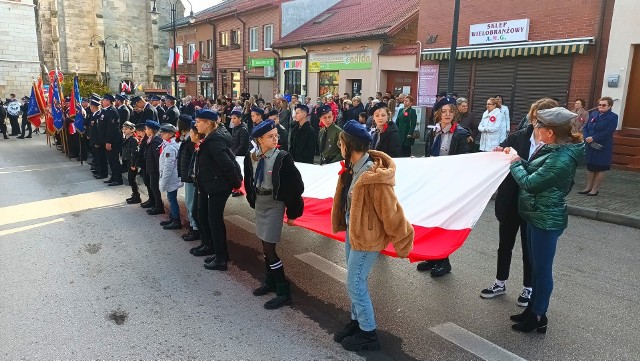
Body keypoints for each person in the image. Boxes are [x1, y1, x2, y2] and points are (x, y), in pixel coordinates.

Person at [331, 120, 414, 351]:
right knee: (355, 280)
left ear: (349, 145)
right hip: (353, 232)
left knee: (355, 283)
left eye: (341, 143)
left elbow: (392, 211)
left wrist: (403, 239)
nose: (340, 147)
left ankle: (368, 333)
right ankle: (357, 323)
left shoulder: (372, 176)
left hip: (367, 238)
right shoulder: (352, 169)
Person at [506, 107, 585, 333]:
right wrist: (516, 157)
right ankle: (532, 310)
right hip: (536, 214)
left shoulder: (561, 158)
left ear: (549, 132)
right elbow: (531, 168)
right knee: (535, 267)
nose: (535, 129)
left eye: (538, 126)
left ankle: (539, 315)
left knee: (541, 270)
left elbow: (530, 182)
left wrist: (514, 163)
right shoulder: (553, 149)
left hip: (546, 219)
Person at [480, 98, 557, 305]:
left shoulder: (555, 144)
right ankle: (499, 282)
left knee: (529, 249)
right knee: (505, 244)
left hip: (534, 205)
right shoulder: (518, 136)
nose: (537, 124)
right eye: (535, 119)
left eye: (542, 120)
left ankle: (528, 288)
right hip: (511, 200)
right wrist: (498, 152)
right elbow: (501, 151)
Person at [243, 120, 305, 309]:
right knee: (264, 245)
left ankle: (283, 290)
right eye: (270, 136)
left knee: (270, 249)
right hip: (261, 202)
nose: (275, 138)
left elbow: (296, 187)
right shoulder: (252, 156)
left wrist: (293, 212)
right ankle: (270, 281)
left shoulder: (282, 157)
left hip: (274, 204)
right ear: (259, 139)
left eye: (276, 135)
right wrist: (252, 200)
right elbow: (249, 179)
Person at [417, 97, 469, 277]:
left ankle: (444, 261)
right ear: (438, 114)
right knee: (432, 220)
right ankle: (433, 257)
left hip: (449, 184)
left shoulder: (461, 134)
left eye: (451, 111)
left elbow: (463, 162)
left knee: (444, 223)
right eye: (444, 111)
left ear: (455, 114)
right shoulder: (434, 132)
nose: (447, 115)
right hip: (434, 182)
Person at [192, 110, 242, 271]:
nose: (196, 124)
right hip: (211, 185)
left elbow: (228, 164)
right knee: (210, 218)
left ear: (208, 123)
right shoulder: (209, 138)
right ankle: (219, 252)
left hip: (218, 187)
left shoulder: (214, 141)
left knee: (215, 221)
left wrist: (236, 183)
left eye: (199, 121)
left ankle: (221, 259)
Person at [579, 96, 618, 196]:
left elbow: (609, 131)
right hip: (590, 144)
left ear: (609, 106)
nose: (601, 106)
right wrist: (587, 137)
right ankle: (588, 187)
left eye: (604, 105)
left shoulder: (613, 117)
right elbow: (586, 127)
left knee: (600, 167)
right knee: (591, 167)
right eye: (599, 104)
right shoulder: (594, 114)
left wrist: (594, 138)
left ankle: (595, 189)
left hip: (602, 145)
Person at [177, 116, 200, 240]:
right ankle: (193, 225)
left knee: (191, 203)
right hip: (188, 176)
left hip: (191, 177)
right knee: (189, 202)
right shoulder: (186, 139)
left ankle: (195, 228)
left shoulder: (190, 142)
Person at [158, 123, 183, 230]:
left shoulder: (170, 148)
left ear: (170, 134)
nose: (161, 135)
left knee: (172, 199)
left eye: (163, 133)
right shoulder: (168, 144)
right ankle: (172, 217)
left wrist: (163, 182)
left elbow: (168, 167)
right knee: (171, 198)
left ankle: (176, 220)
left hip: (171, 177)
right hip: (171, 176)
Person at [101, 94, 123, 186]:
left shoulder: (112, 111)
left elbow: (111, 128)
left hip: (113, 140)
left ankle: (118, 179)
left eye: (104, 100)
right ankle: (113, 177)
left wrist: (108, 142)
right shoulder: (107, 111)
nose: (102, 101)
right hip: (109, 140)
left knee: (114, 160)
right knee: (111, 160)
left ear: (108, 101)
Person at [143, 120, 165, 215]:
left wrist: (159, 170)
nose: (145, 130)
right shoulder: (151, 138)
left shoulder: (156, 141)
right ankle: (155, 203)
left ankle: (159, 206)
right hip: (151, 166)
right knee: (152, 186)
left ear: (151, 130)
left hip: (155, 168)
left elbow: (157, 157)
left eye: (147, 129)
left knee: (154, 187)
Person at [122, 121, 141, 204]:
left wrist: (133, 164)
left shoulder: (133, 139)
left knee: (132, 179)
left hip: (132, 162)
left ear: (132, 130)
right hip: (129, 160)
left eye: (126, 129)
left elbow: (135, 152)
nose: (124, 130)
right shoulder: (127, 138)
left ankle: (137, 196)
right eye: (123, 129)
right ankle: (134, 194)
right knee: (131, 179)